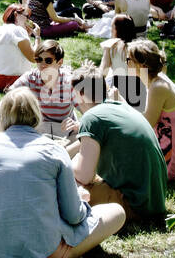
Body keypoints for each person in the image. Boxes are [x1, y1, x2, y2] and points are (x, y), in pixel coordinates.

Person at [0, 88, 126, 258]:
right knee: (117, 212)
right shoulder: (54, 150)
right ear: (36, 114)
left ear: (2, 115)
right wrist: (82, 202)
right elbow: (73, 216)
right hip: (45, 255)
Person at [65, 70, 168, 225]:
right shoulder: (120, 107)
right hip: (154, 201)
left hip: (134, 205)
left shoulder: (92, 118)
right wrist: (62, 152)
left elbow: (84, 175)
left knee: (67, 181)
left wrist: (64, 163)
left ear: (80, 94)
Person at [126, 40, 175, 181]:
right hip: (161, 141)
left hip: (166, 162)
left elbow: (147, 123)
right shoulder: (154, 83)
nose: (126, 63)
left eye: (129, 60)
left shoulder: (158, 87)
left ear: (142, 66)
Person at [9, 40, 77, 138]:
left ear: (60, 62)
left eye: (48, 60)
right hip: (38, 132)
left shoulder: (69, 81)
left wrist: (78, 125)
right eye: (39, 59)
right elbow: (8, 98)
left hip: (66, 133)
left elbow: (89, 112)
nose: (42, 64)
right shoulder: (31, 78)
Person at [98, 16, 146, 113]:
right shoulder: (139, 47)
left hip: (120, 88)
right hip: (140, 87)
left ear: (116, 30)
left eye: (112, 28)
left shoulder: (112, 46)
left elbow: (103, 71)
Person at [0, 3, 39, 91]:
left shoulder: (0, 29)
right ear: (16, 15)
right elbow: (34, 58)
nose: (28, 20)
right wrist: (38, 37)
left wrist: (27, 35)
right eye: (27, 16)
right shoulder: (18, 30)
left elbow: (15, 50)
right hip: (10, 80)